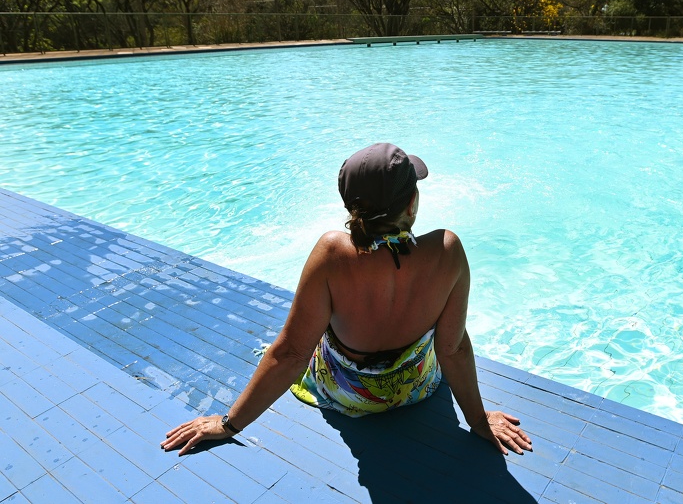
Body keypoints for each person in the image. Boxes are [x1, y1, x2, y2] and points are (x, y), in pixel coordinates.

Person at [162, 143, 532, 456]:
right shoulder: (447, 250)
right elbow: (453, 349)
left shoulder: (332, 255)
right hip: (416, 387)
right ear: (411, 204)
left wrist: (229, 424)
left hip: (350, 396)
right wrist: (479, 421)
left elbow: (291, 354)